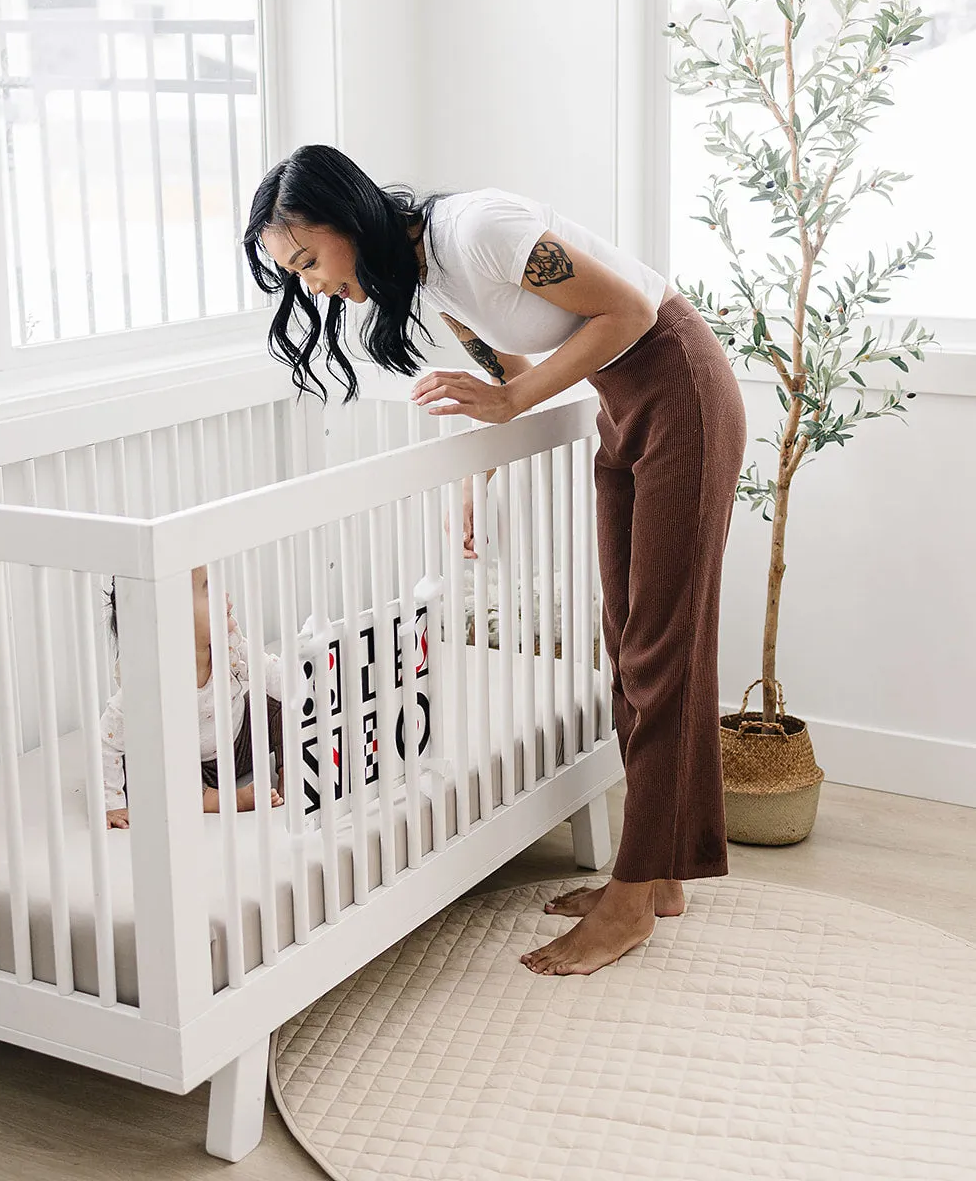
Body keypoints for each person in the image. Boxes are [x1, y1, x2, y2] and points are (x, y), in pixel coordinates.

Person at [243, 144, 746, 976]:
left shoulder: (477, 229)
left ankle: (629, 898)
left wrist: (514, 400)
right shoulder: (430, 272)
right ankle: (657, 876)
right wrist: (480, 465)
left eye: (306, 259)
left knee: (662, 652)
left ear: (349, 217)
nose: (308, 283)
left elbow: (628, 312)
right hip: (626, 410)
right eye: (289, 274)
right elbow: (507, 371)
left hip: (678, 385)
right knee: (628, 644)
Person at [101, 565, 284, 827]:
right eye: (210, 590)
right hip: (187, 770)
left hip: (239, 746)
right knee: (142, 764)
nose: (226, 595)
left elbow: (275, 681)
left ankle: (289, 770)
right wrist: (112, 806)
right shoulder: (149, 684)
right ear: (174, 619)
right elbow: (108, 739)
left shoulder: (230, 646)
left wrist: (294, 680)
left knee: (276, 702)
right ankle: (226, 801)